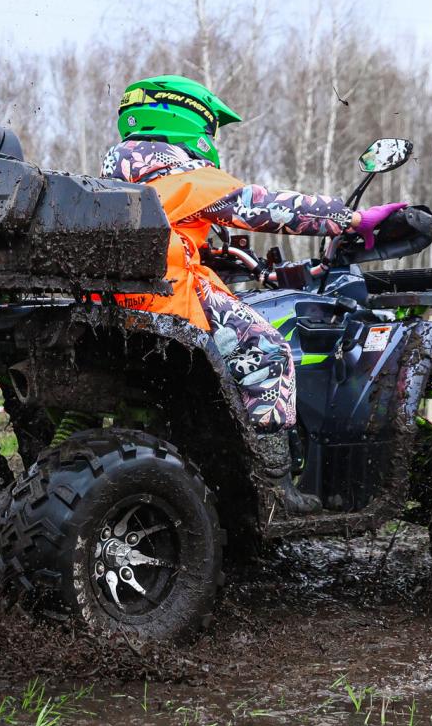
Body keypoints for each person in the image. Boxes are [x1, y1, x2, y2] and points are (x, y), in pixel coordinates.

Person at [102, 75, 406, 515]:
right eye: (210, 128)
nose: (211, 138)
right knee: (267, 350)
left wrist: (261, 264)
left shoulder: (121, 176)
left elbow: (189, 242)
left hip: (114, 304)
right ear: (185, 120)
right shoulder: (182, 174)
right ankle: (274, 490)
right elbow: (262, 206)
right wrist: (352, 218)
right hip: (166, 300)